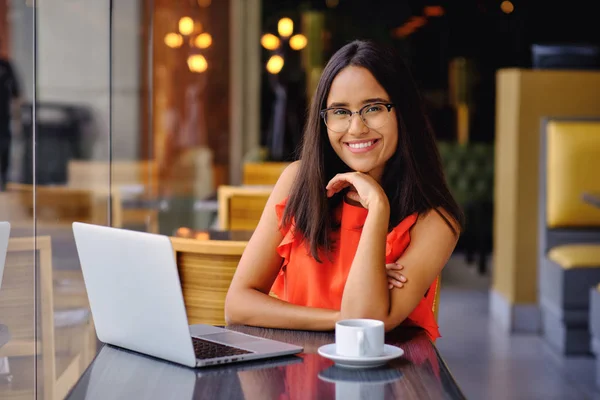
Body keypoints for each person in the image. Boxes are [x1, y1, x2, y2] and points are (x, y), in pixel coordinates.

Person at [225, 40, 463, 341]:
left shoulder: (436, 221)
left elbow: (367, 326)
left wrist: (377, 206)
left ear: (403, 112)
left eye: (373, 108)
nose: (356, 128)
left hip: (385, 379)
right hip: (294, 370)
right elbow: (238, 303)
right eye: (340, 112)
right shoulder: (297, 181)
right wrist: (341, 318)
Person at [0, 54, 20, 191]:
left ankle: (4, 183)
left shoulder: (5, 66)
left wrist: (17, 119)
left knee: (4, 150)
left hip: (3, 118)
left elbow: (17, 94)